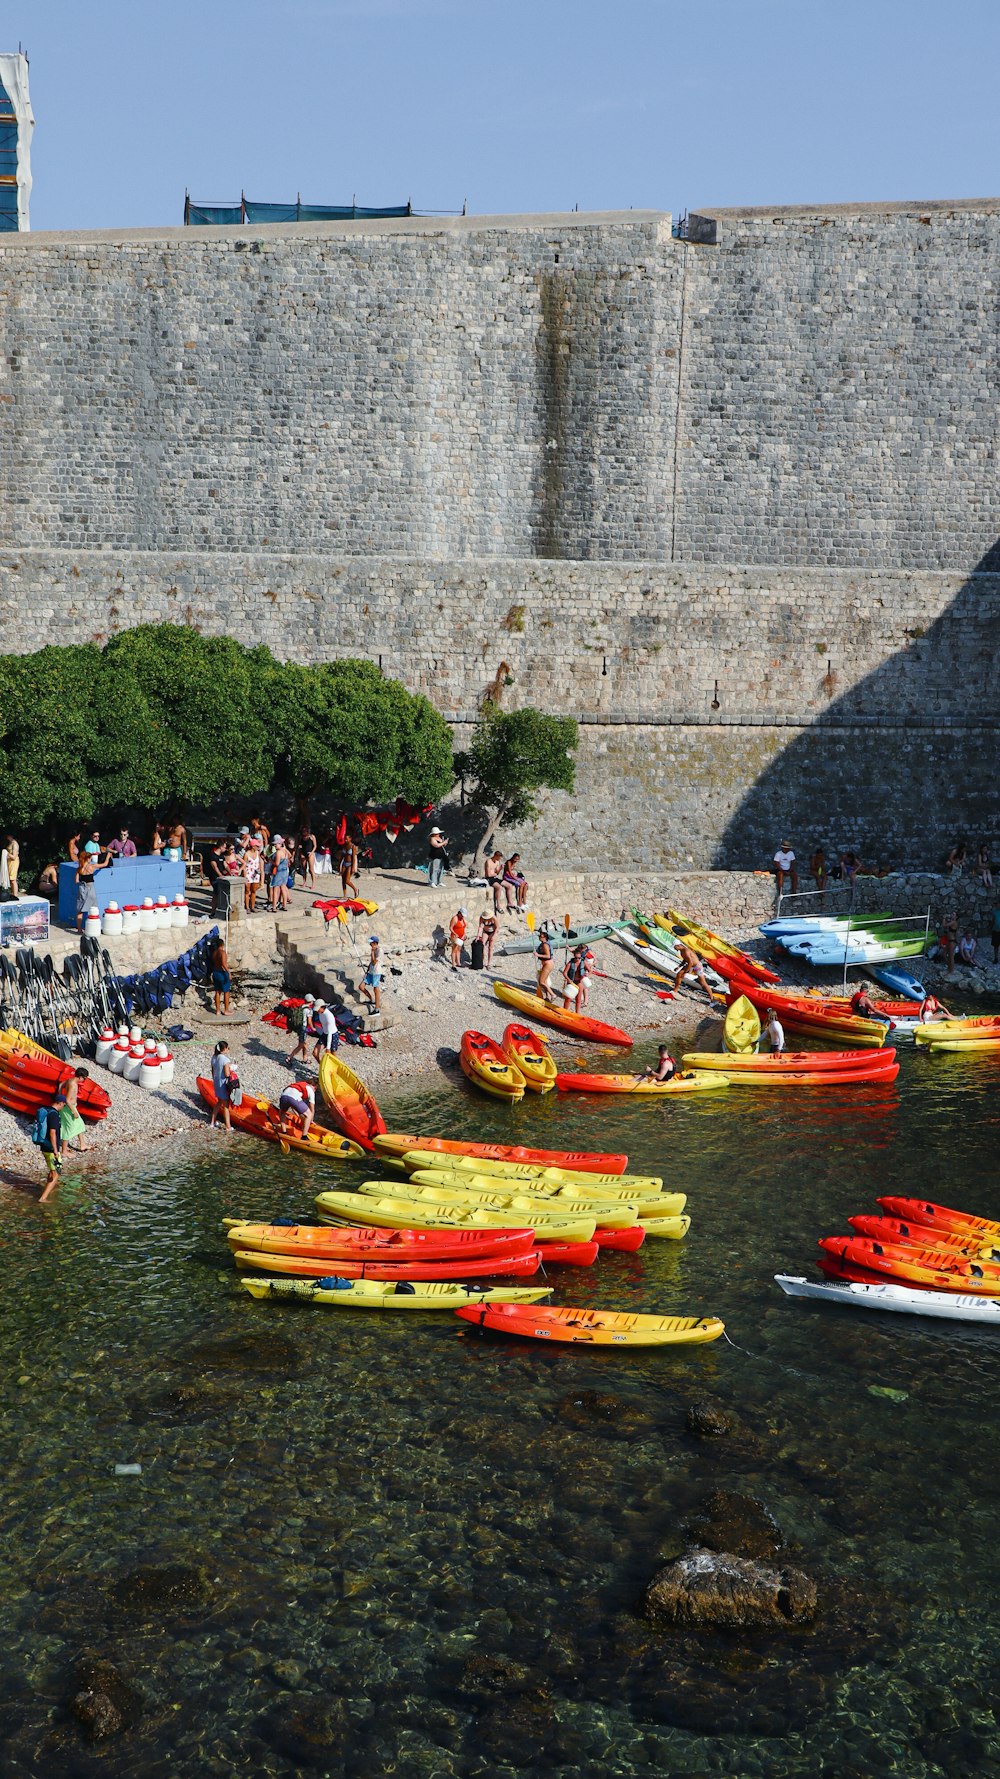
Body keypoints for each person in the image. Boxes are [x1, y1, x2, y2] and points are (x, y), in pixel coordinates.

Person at [75, 841, 111, 932]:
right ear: (88, 858)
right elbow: (104, 864)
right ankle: (93, 928)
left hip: (82, 889)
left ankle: (79, 929)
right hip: (91, 889)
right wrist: (107, 856)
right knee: (94, 909)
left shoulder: (79, 869)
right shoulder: (92, 867)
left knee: (80, 910)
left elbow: (76, 881)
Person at [56, 1068, 92, 1153]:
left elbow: (61, 1085)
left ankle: (82, 1145)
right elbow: (68, 1100)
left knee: (80, 1125)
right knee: (68, 1127)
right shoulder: (73, 1084)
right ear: (80, 1077)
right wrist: (74, 1111)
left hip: (70, 1107)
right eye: (84, 1078)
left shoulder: (70, 1080)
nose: (84, 1080)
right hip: (68, 1108)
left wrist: (60, 1094)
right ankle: (64, 1151)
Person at [37, 1101, 64, 1202]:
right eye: (64, 1105)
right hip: (51, 1149)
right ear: (60, 1103)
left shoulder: (46, 1110)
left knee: (52, 1170)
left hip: (44, 1146)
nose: (63, 1108)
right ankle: (43, 1198)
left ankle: (49, 1189)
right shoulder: (54, 1115)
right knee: (57, 1172)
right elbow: (52, 1133)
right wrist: (56, 1151)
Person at [209, 1040, 237, 1129]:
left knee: (219, 1102)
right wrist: (232, 1068)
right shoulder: (225, 1059)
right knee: (226, 1106)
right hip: (223, 1084)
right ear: (224, 1049)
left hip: (217, 1083)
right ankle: (228, 1127)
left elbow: (213, 1071)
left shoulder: (214, 1057)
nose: (228, 1050)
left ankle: (212, 1122)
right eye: (227, 1048)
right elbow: (227, 1074)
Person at [563, 943, 594, 1010]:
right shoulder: (570, 963)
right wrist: (568, 979)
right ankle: (564, 1011)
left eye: (579, 958)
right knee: (568, 998)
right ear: (574, 956)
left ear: (581, 957)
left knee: (578, 999)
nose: (577, 959)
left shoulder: (584, 962)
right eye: (576, 958)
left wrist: (586, 975)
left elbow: (590, 971)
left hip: (579, 981)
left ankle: (578, 1013)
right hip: (571, 982)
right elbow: (564, 973)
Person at [286, 995, 315, 1065]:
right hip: (303, 1028)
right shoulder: (309, 1010)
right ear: (311, 1002)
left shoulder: (300, 1007)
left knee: (304, 1043)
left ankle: (305, 1058)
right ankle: (289, 1057)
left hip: (298, 1027)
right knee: (301, 1045)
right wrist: (312, 1028)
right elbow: (309, 1021)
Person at [358, 936, 384, 1014]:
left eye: (371, 943)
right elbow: (371, 962)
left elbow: (374, 962)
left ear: (375, 943)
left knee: (376, 989)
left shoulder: (380, 951)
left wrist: (372, 952)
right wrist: (367, 970)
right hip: (371, 971)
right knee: (361, 986)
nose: (370, 944)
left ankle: (377, 1009)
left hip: (376, 972)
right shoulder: (374, 949)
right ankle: (371, 1000)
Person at [311, 998, 339, 1063]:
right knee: (315, 1053)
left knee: (333, 1056)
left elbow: (330, 1032)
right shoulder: (320, 1013)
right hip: (325, 1034)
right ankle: (323, 1067)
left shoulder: (329, 1016)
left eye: (318, 1009)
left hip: (332, 1035)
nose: (317, 1011)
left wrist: (328, 1048)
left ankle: (336, 1070)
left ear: (322, 1007)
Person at [269, 835, 292, 912]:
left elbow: (277, 864)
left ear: (280, 843)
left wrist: (270, 861)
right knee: (284, 888)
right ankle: (284, 905)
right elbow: (290, 856)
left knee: (275, 889)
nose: (275, 846)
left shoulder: (278, 852)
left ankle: (274, 906)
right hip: (285, 872)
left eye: (276, 844)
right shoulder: (285, 850)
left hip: (279, 872)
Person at [211, 935, 232, 1015]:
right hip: (222, 973)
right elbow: (223, 963)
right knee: (226, 992)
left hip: (215, 972)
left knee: (217, 992)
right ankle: (226, 1010)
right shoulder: (222, 953)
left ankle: (218, 1010)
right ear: (222, 945)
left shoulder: (214, 953)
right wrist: (229, 973)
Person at [243, 839, 263, 913]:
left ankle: (252, 906)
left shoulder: (257, 853)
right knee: (247, 891)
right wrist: (244, 877)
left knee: (254, 890)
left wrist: (260, 875)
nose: (258, 847)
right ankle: (247, 907)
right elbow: (244, 866)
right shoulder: (246, 854)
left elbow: (259, 864)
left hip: (255, 873)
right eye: (257, 846)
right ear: (253, 846)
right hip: (248, 873)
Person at [535, 927, 555, 1002]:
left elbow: (548, 956)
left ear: (545, 938)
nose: (539, 937)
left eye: (541, 936)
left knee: (541, 982)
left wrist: (538, 955)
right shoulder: (544, 944)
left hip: (548, 964)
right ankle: (548, 997)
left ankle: (553, 995)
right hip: (545, 964)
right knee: (545, 981)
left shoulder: (545, 945)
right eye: (539, 936)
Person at [297, 826, 317, 891]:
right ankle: (304, 882)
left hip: (310, 853)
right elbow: (300, 845)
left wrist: (311, 852)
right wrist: (300, 853)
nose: (304, 832)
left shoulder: (311, 836)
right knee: (303, 868)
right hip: (303, 853)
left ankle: (313, 883)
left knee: (311, 869)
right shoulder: (301, 837)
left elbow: (315, 846)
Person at [339, 834, 358, 898]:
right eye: (345, 839)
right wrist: (339, 865)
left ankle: (355, 889)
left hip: (350, 864)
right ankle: (344, 895)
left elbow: (354, 858)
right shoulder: (344, 846)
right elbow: (342, 856)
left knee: (347, 880)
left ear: (350, 839)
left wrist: (353, 867)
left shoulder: (353, 846)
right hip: (344, 863)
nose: (345, 840)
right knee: (343, 880)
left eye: (347, 839)